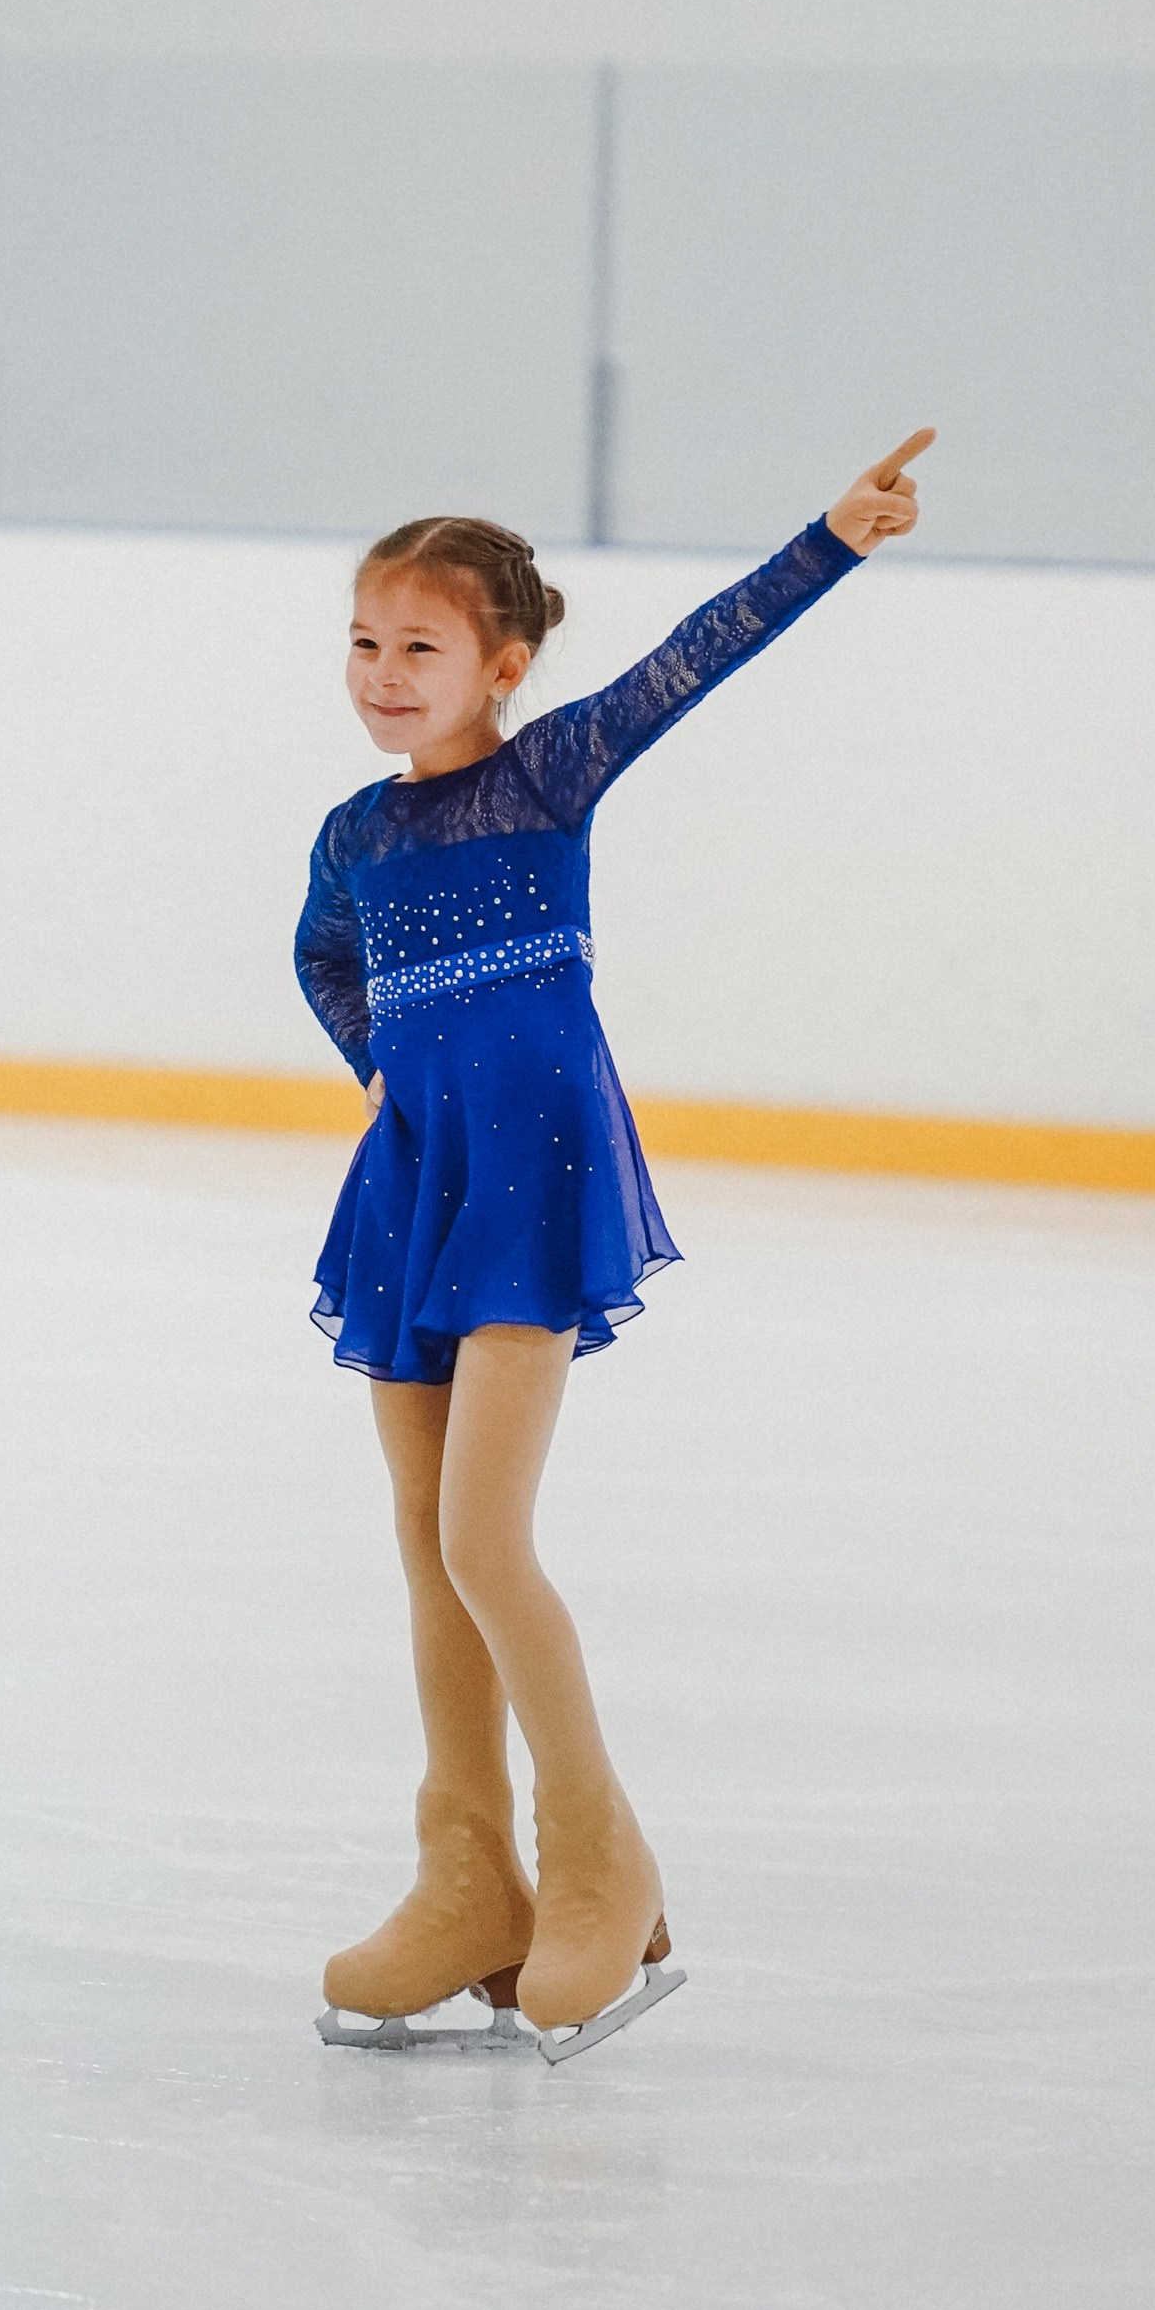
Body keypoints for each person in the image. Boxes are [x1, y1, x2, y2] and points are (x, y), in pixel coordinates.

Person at [295, 432, 933, 2048]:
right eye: (365, 643)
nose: (384, 674)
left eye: (420, 647)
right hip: (418, 1185)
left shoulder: (549, 773)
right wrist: (388, 1067)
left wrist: (830, 541)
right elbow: (323, 958)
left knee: (485, 1541)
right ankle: (468, 1878)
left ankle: (604, 1866)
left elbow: (690, 662)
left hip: (532, 1179)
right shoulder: (355, 836)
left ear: (502, 665)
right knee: (422, 1544)